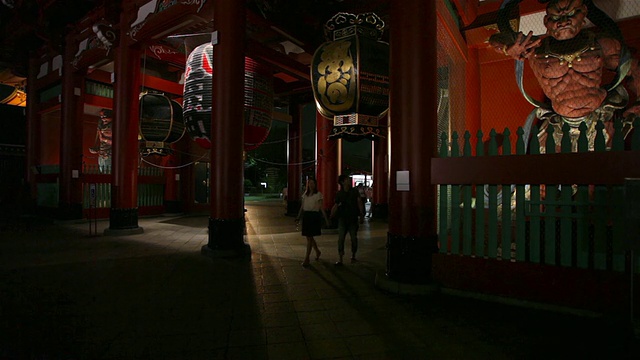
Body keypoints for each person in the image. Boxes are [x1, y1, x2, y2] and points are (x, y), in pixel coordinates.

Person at [489, 0, 639, 152]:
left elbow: (632, 67)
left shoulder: (600, 45)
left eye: (571, 14)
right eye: (555, 18)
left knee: (603, 171)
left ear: (584, 13)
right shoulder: (536, 49)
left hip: (599, 118)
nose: (563, 22)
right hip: (558, 125)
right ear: (546, 21)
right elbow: (496, 40)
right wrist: (509, 49)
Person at [330, 174, 365, 265]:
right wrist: (330, 215)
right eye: (347, 179)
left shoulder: (354, 191)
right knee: (341, 239)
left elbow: (359, 202)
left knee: (354, 238)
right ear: (342, 182)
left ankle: (353, 255)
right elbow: (336, 205)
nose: (349, 180)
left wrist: (361, 215)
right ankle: (340, 257)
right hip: (342, 219)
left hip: (353, 219)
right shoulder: (339, 194)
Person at [296, 178, 330, 267]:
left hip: (314, 216)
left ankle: (307, 258)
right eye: (310, 183)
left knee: (310, 238)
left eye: (313, 183)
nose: (311, 185)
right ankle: (317, 251)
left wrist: (326, 219)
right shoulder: (305, 195)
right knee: (309, 237)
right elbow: (302, 207)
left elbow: (321, 207)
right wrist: (298, 217)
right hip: (306, 216)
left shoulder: (318, 195)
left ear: (315, 184)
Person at [89, 109, 113, 173]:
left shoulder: (114, 126)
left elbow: (118, 143)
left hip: (109, 154)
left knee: (109, 172)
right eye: (101, 117)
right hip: (102, 153)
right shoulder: (101, 125)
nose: (103, 119)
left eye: (105, 117)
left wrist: (104, 140)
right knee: (103, 172)